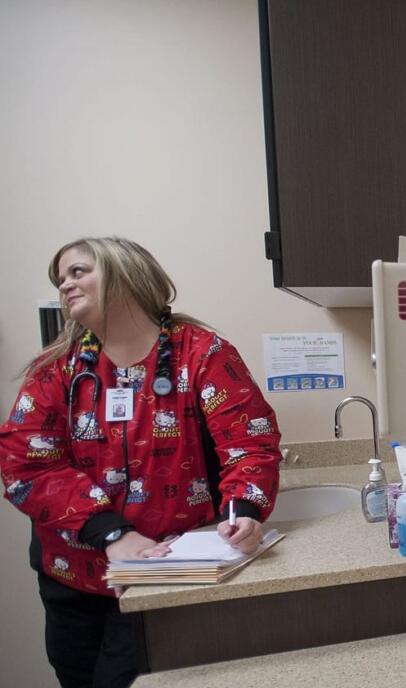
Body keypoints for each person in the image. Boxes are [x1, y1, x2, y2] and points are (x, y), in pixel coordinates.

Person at [1, 237, 281, 687]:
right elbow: (25, 464)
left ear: (125, 273)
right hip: (71, 577)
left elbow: (249, 441)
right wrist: (110, 532)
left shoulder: (203, 354)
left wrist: (242, 512)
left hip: (166, 572)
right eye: (60, 279)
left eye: (78, 272)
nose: (65, 285)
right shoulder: (58, 369)